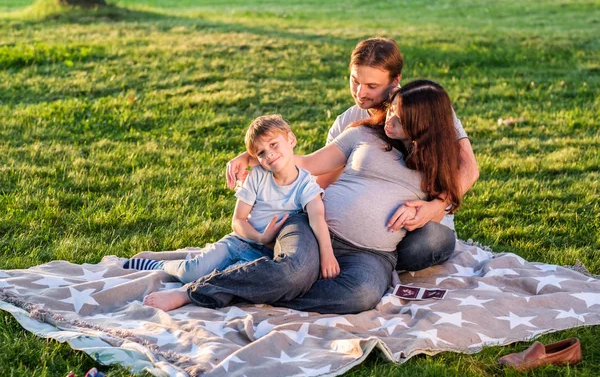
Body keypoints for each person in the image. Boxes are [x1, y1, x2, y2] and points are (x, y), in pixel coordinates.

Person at [141, 79, 466, 314]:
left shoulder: (439, 163)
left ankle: (261, 284)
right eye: (391, 111)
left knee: (360, 296)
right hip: (313, 226)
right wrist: (253, 157)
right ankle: (198, 291)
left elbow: (443, 203)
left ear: (426, 125)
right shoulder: (363, 133)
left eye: (402, 118)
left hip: (373, 253)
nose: (390, 120)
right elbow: (307, 163)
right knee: (293, 272)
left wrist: (426, 209)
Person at [228, 37, 479, 271]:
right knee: (308, 233)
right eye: (355, 80)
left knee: (427, 243)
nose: (360, 93)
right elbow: (320, 177)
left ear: (395, 81)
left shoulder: (426, 106)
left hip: (422, 224)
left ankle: (366, 262)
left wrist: (433, 206)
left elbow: (469, 168)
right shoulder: (348, 121)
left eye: (371, 86)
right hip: (353, 234)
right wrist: (255, 156)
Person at [129, 115, 339, 307]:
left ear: (291, 140)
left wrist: (327, 254)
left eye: (274, 144)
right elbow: (238, 220)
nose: (270, 154)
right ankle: (160, 264)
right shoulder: (258, 176)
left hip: (263, 253)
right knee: (190, 271)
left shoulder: (305, 185)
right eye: (262, 153)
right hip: (238, 242)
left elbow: (317, 218)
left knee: (230, 276)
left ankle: (188, 293)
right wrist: (259, 236)